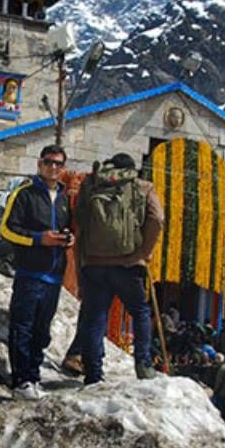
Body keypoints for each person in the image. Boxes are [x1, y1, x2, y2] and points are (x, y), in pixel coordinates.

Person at [75, 153, 164, 385]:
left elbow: (80, 222)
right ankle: (143, 364)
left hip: (94, 263)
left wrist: (82, 263)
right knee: (141, 313)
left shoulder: (92, 184)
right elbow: (157, 219)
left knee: (95, 318)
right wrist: (143, 252)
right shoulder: (143, 186)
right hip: (128, 263)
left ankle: (93, 373)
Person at [0, 144, 73, 400]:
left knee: (42, 329)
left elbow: (67, 227)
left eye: (58, 164)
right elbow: (7, 229)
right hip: (30, 272)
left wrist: (68, 239)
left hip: (54, 275)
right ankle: (21, 381)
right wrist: (38, 239)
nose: (53, 167)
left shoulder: (64, 199)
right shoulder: (24, 194)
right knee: (23, 327)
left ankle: (33, 375)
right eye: (48, 162)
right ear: (39, 165)